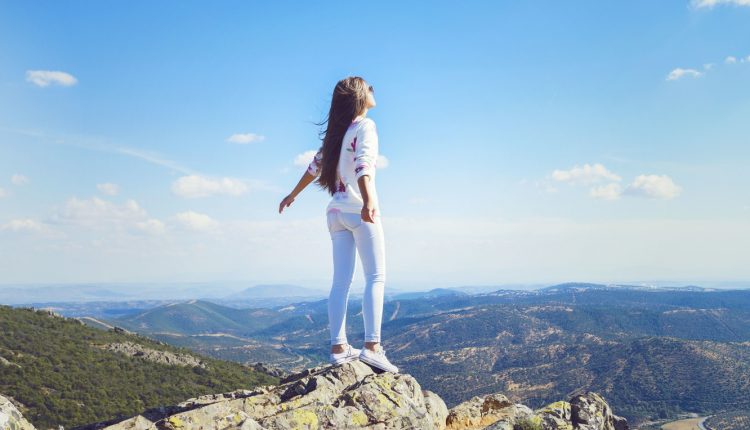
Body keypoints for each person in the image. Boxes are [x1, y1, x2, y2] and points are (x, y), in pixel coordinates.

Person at [278, 76, 398, 373]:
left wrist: (292, 195)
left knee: (340, 282)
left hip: (335, 213)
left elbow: (314, 168)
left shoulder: (336, 135)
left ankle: (338, 347)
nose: (373, 91)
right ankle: (372, 347)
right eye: (369, 88)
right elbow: (363, 166)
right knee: (375, 277)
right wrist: (368, 201)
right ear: (359, 96)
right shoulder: (365, 127)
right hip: (359, 210)